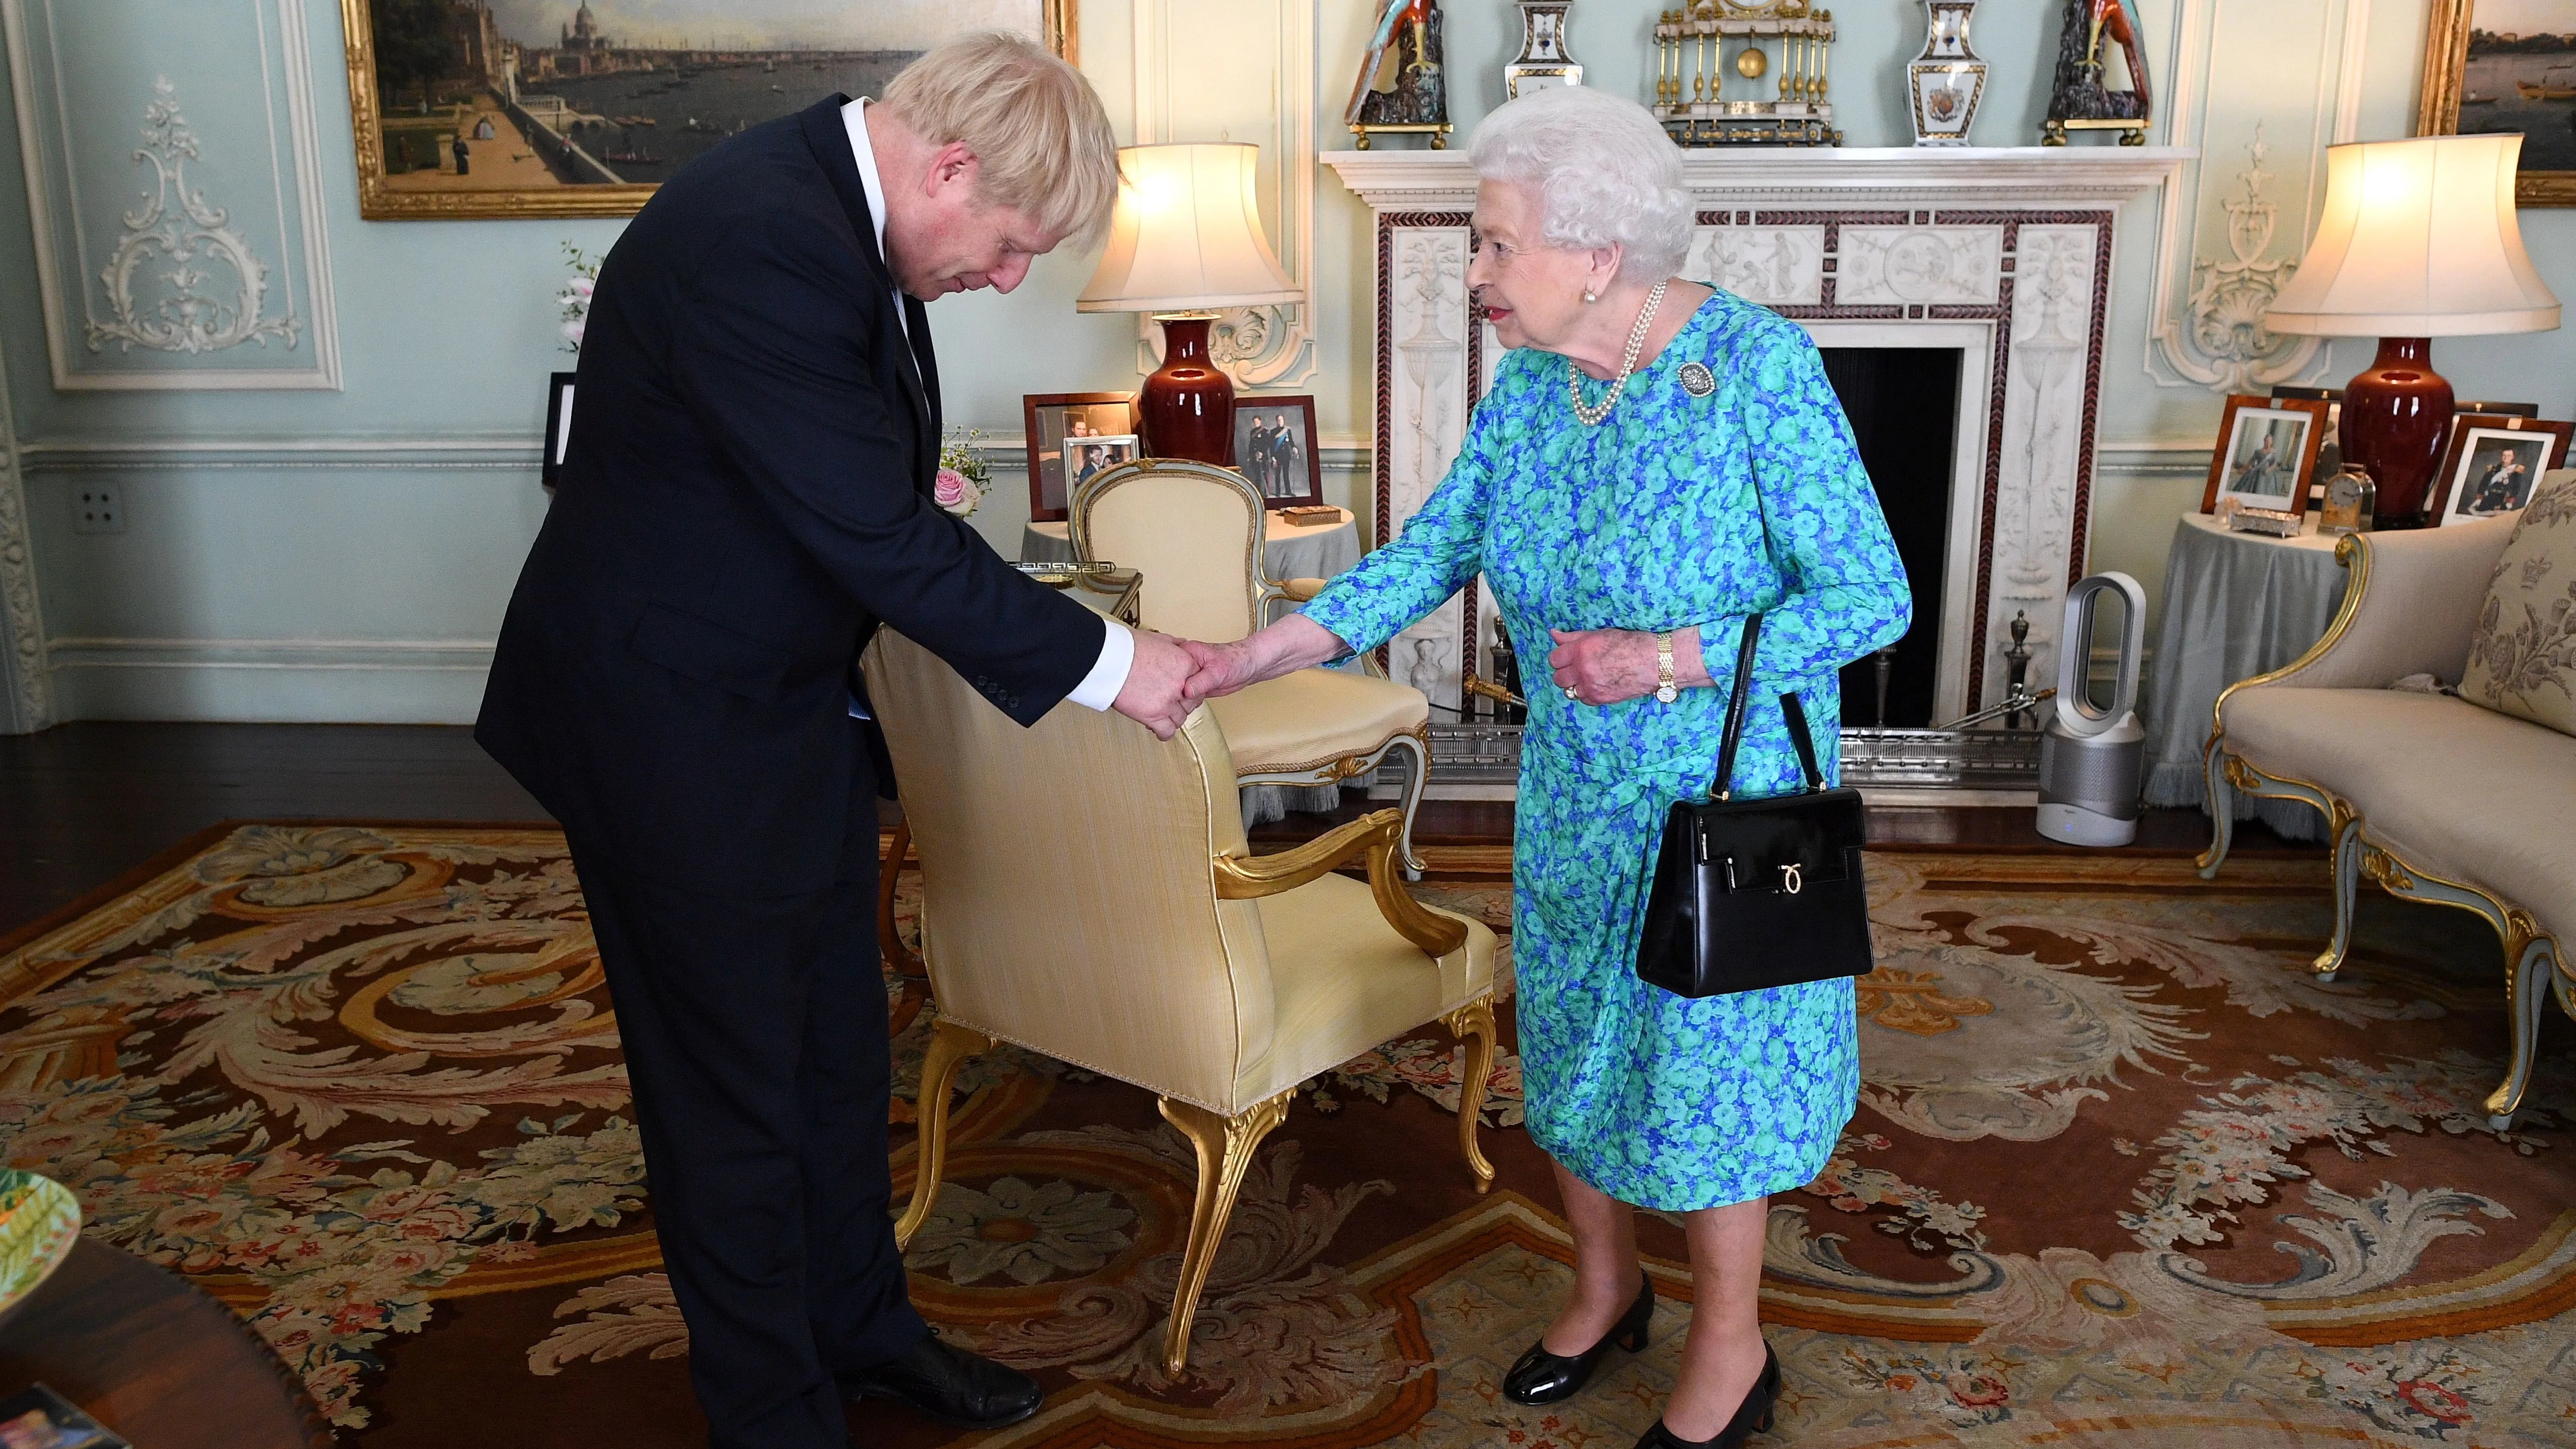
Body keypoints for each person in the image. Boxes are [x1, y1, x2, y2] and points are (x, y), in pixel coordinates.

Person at [475, 34, 1198, 1449]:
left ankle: (861, 1330)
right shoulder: (759, 239)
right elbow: (879, 532)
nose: (1004, 281)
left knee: (832, 1054)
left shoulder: (835, 206)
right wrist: (1119, 663)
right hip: (663, 725)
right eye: (1008, 247)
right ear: (947, 166)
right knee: (730, 1094)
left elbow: (864, 490)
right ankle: (774, 1412)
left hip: (776, 703)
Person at [1181, 84, 1909, 1449]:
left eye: (1496, 244)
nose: (1475, 275)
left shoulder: (1756, 369)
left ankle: (1733, 1348)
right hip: (1576, 792)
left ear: (1597, 249)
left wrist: (1667, 657)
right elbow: (1434, 549)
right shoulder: (1532, 386)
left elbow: (1872, 596)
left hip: (1723, 798)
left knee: (1703, 1069)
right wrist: (1253, 652)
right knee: (1574, 1040)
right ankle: (1605, 1288)